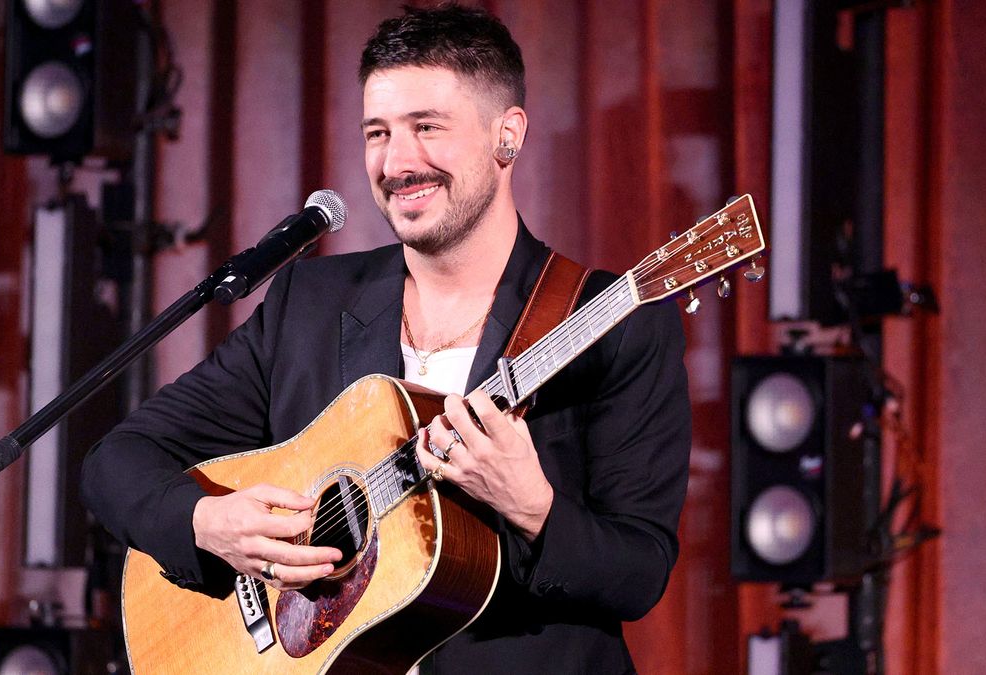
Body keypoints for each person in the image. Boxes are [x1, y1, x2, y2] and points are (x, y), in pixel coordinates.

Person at [81, 4, 691, 673]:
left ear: (506, 137)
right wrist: (209, 525)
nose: (397, 162)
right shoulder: (307, 305)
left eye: (427, 127)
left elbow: (639, 571)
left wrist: (533, 507)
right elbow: (119, 460)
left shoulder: (613, 322)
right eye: (378, 132)